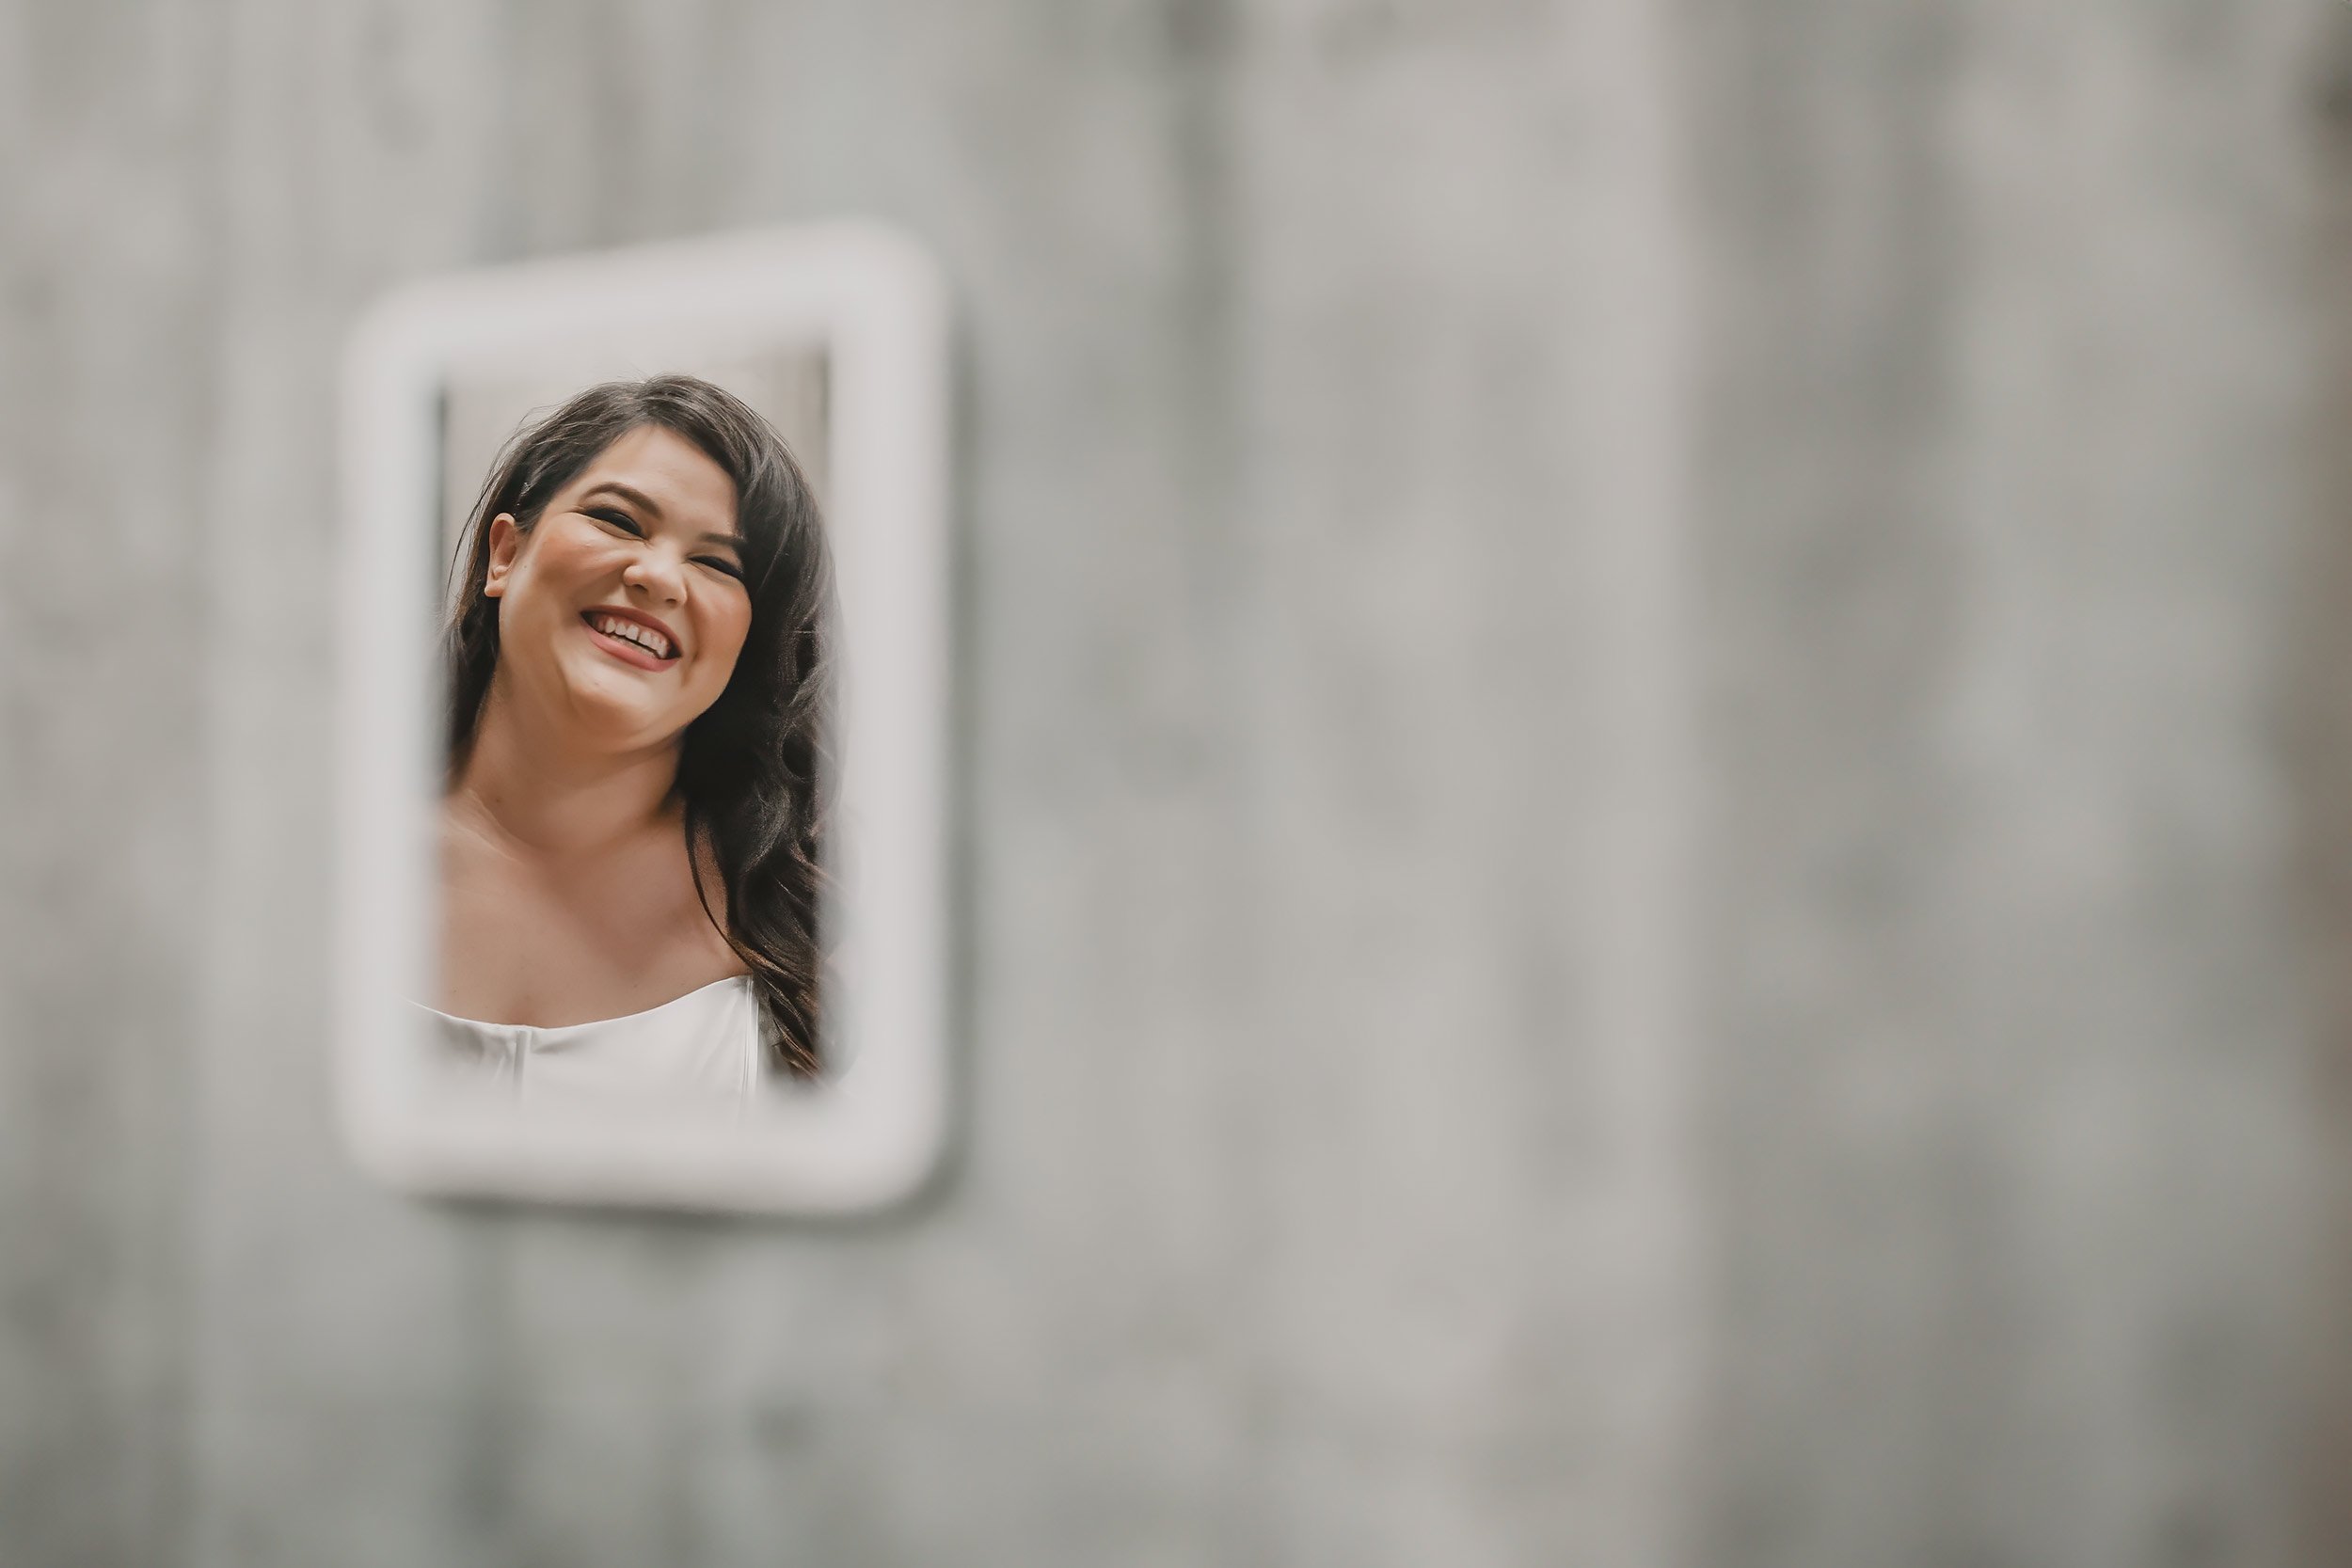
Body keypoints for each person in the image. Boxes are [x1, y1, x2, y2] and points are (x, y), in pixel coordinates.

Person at [421, 375, 833, 1103]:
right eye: (618, 520)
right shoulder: (305, 854)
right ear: (505, 554)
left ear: (746, 639)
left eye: (715, 563)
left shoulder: (823, 923)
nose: (659, 577)